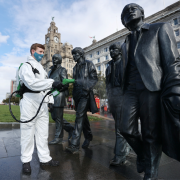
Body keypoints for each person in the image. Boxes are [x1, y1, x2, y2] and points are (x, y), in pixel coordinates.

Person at [120, 3, 180, 180]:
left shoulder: (160, 28)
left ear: (142, 13)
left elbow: (172, 61)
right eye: (126, 11)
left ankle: (151, 173)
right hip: (130, 90)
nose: (130, 10)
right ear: (124, 21)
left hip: (152, 86)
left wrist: (175, 87)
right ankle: (143, 155)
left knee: (150, 133)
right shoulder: (125, 43)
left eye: (134, 7)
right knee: (126, 129)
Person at [18, 43, 63, 174]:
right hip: (29, 101)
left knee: (43, 134)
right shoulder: (26, 66)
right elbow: (31, 83)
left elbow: (46, 88)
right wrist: (51, 82)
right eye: (40, 51)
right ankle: (26, 161)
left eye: (43, 52)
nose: (42, 54)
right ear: (33, 51)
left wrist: (52, 96)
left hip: (42, 103)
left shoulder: (42, 69)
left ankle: (45, 158)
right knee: (27, 132)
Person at [66, 47, 98, 154]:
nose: (73, 56)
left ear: (80, 54)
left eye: (75, 54)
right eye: (73, 54)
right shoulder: (75, 68)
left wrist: (86, 88)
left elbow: (94, 78)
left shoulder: (89, 64)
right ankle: (88, 136)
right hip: (77, 95)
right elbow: (76, 82)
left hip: (85, 94)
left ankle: (74, 145)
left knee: (79, 117)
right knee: (82, 117)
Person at [106, 42, 130, 166]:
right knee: (122, 126)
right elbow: (107, 84)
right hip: (113, 97)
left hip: (123, 97)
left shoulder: (126, 62)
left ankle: (120, 155)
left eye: (114, 49)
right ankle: (126, 148)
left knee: (120, 128)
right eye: (110, 50)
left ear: (120, 51)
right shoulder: (109, 65)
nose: (111, 52)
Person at [48, 54, 74, 145]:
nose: (54, 60)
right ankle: (71, 129)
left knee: (58, 118)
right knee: (55, 117)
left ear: (60, 60)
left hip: (58, 96)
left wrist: (54, 92)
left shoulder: (62, 70)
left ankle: (58, 137)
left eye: (56, 59)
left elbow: (65, 84)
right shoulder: (50, 71)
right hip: (51, 97)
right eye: (53, 59)